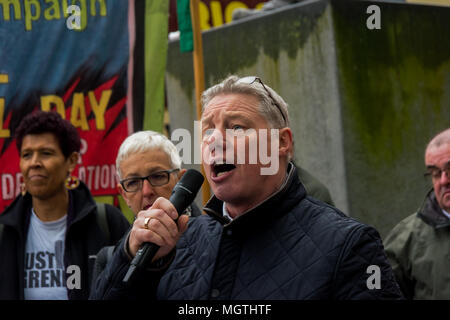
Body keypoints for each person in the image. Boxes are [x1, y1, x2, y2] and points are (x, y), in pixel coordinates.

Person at [91, 75, 402, 300]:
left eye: (236, 126)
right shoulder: (180, 240)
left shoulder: (348, 245)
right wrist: (133, 259)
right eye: (208, 130)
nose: (215, 140)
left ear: (282, 143)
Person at [0, 111, 130, 300]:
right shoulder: (5, 232)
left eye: (46, 153)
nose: (34, 163)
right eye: (27, 155)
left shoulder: (106, 222)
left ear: (71, 161)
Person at [90, 130, 202, 286]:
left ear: (180, 180)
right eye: (133, 183)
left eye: (158, 176)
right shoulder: (107, 260)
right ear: (124, 195)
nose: (147, 191)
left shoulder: (215, 240)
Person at [384, 128, 450, 299]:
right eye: (435, 173)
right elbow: (377, 290)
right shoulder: (405, 238)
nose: (443, 181)